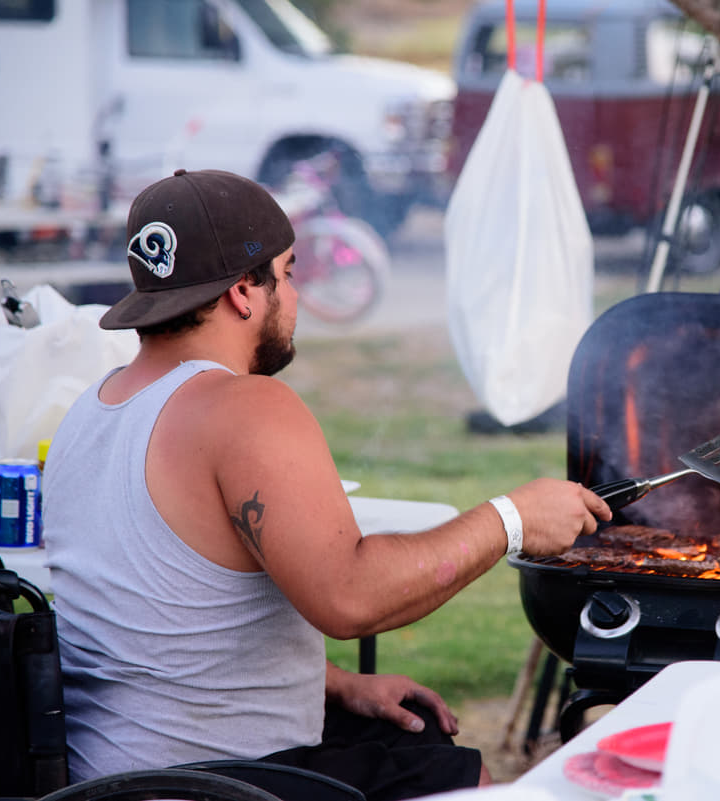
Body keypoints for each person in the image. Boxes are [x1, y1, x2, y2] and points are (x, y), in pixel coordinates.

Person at [41, 168, 611, 801]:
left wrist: (335, 683)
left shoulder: (89, 411)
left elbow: (161, 626)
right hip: (209, 782)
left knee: (424, 745)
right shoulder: (244, 407)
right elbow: (349, 598)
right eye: (287, 272)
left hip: (111, 776)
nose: (296, 291)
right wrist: (513, 520)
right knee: (469, 784)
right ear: (242, 293)